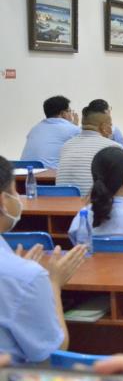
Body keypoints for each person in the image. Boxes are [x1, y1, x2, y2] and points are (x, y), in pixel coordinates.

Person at [0, 155, 87, 364]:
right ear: (2, 201)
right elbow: (54, 351)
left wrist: (18, 269)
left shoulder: (19, 273)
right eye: (15, 191)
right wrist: (53, 284)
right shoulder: (26, 276)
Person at [56, 110, 123, 196]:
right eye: (110, 125)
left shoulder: (65, 146)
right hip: (96, 202)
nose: (111, 131)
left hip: (61, 201)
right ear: (103, 127)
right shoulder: (114, 147)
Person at [20, 96, 80, 169]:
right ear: (63, 113)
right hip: (48, 173)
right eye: (69, 111)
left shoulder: (35, 129)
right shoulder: (72, 129)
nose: (71, 114)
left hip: (22, 171)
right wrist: (74, 127)